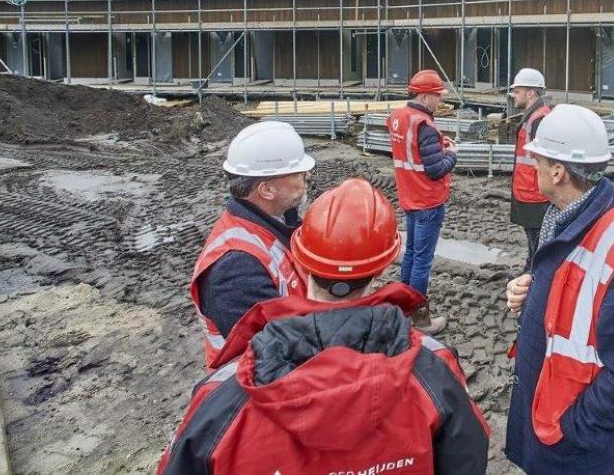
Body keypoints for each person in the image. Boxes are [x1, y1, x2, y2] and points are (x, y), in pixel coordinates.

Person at [159, 178, 491, 474]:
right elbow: (467, 457)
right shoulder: (433, 370)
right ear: (382, 267)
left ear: (300, 259)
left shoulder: (225, 396)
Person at [504, 104, 614, 474]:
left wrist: (569, 432)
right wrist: (528, 295)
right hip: (546, 425)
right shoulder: (559, 217)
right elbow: (568, 302)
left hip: (576, 454)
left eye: (538, 160)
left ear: (558, 172)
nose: (533, 167)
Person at [190, 121, 315, 367]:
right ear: (266, 189)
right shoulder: (236, 268)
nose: (307, 176)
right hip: (261, 392)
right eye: (298, 172)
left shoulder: (279, 222)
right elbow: (275, 356)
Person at [387, 69, 457, 333]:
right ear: (426, 95)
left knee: (411, 254)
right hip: (427, 199)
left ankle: (403, 306)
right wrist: (451, 154)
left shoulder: (398, 117)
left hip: (409, 196)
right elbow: (436, 169)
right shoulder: (424, 124)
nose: (440, 101)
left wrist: (437, 146)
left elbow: (412, 150)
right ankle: (419, 318)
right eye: (438, 96)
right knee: (422, 260)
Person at [509, 67, 553, 267]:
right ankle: (532, 271)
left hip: (535, 194)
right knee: (533, 241)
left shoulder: (540, 120)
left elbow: (545, 162)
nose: (513, 95)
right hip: (529, 190)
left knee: (538, 243)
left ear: (531, 92)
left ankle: (534, 277)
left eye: (517, 91)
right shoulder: (534, 116)